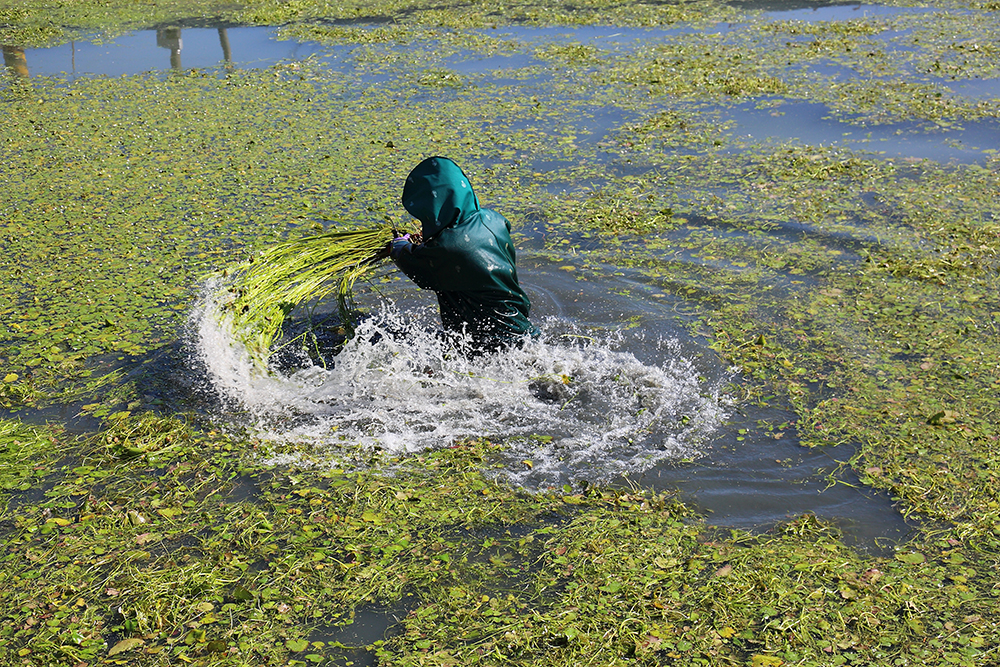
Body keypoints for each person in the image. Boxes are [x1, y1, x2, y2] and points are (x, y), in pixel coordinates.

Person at [388, 156, 539, 353]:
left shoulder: (448, 248)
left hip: (491, 344)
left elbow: (417, 266)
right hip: (520, 327)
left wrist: (398, 246)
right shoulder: (494, 219)